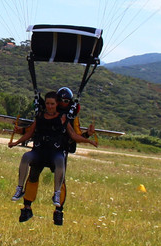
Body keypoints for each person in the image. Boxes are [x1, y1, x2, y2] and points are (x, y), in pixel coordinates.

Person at [9, 90, 97, 225]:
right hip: (41, 149)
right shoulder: (41, 115)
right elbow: (32, 130)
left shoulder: (68, 118)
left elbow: (75, 136)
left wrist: (89, 137)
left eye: (65, 101)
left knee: (60, 178)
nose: (62, 103)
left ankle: (58, 211)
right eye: (60, 100)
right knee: (33, 175)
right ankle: (27, 207)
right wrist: (18, 135)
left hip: (58, 151)